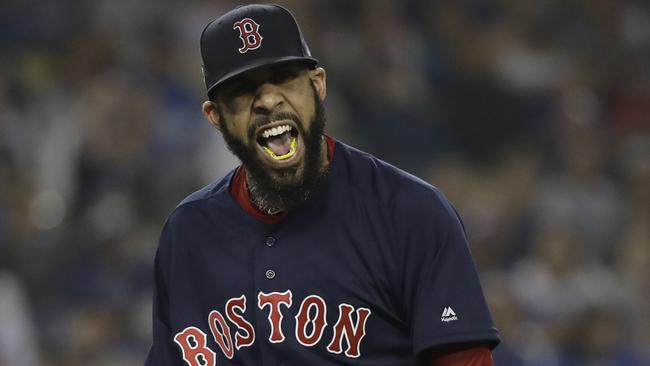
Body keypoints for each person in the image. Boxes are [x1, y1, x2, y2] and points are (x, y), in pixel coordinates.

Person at [145, 4, 500, 365]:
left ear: (318, 85)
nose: (268, 100)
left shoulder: (409, 212)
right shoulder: (187, 233)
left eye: (283, 77)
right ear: (215, 116)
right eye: (241, 90)